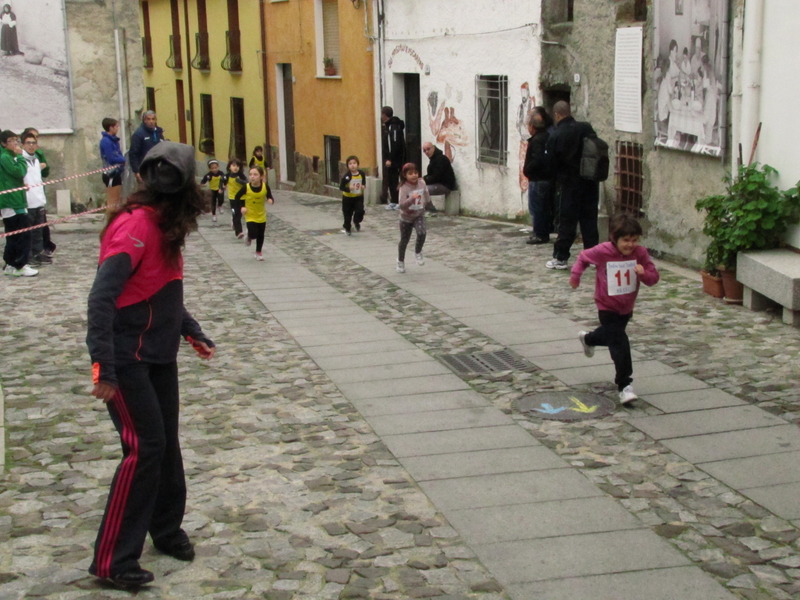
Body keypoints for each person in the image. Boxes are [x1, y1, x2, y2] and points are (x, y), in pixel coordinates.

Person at [86, 141, 214, 588]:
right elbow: (103, 297)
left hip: (159, 355)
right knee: (144, 449)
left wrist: (190, 329)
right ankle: (112, 560)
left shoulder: (165, 224)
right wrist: (102, 363)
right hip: (126, 358)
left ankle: (165, 529)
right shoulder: (134, 225)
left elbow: (162, 289)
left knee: (165, 445)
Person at [570, 214, 659, 404]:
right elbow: (583, 257)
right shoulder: (603, 251)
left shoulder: (640, 253)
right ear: (614, 238)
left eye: (634, 240)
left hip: (626, 306)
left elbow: (653, 278)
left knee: (611, 336)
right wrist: (576, 276)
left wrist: (644, 274)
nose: (630, 245)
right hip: (606, 305)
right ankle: (624, 386)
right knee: (620, 343)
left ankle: (588, 338)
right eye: (625, 240)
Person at [544, 101, 600, 270]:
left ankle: (561, 257)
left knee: (567, 221)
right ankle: (593, 257)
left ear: (557, 115)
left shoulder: (557, 134)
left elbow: (550, 163)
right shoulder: (586, 128)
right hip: (589, 181)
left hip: (569, 184)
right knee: (589, 221)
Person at [0, 130, 37, 277]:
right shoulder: (5, 157)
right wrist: (21, 157)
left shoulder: (10, 156)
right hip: (12, 201)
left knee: (14, 234)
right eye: (11, 141)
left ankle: (10, 263)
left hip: (16, 199)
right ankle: (19, 264)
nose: (15, 143)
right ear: (3, 143)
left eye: (16, 140)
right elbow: (19, 172)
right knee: (22, 233)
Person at [522, 106, 554, 245]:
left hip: (538, 179)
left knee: (538, 208)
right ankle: (542, 232)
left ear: (533, 126)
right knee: (543, 207)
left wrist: (528, 170)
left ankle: (540, 233)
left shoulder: (537, 140)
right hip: (545, 178)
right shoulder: (546, 137)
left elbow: (537, 159)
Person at [22, 127, 55, 256]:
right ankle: (28, 255)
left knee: (38, 232)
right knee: (27, 232)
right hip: (28, 201)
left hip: (38, 200)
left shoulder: (36, 160)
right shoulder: (20, 160)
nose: (31, 146)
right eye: (28, 143)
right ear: (23, 145)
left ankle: (38, 253)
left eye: (33, 143)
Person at [396, 163, 429, 274]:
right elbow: (401, 205)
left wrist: (427, 203)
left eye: (415, 173)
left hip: (419, 214)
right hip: (406, 217)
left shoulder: (421, 183)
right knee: (404, 240)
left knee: (422, 232)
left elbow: (426, 193)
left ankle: (418, 251)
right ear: (405, 175)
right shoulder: (404, 188)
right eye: (410, 174)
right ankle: (400, 261)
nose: (414, 175)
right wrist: (411, 199)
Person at [237, 165, 274, 261]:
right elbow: (237, 197)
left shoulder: (265, 187)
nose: (252, 177)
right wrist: (242, 207)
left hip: (261, 214)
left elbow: (270, 196)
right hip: (250, 215)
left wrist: (270, 200)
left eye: (255, 175)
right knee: (254, 234)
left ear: (261, 177)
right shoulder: (246, 187)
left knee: (261, 234)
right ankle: (249, 235)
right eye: (250, 174)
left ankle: (258, 252)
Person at [380, 106, 405, 210]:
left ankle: (397, 201)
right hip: (393, 158)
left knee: (394, 179)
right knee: (391, 179)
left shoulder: (393, 126)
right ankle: (394, 200)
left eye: (382, 114)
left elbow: (394, 143)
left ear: (384, 115)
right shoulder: (389, 126)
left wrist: (390, 158)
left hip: (396, 159)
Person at [99, 118, 126, 212]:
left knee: (117, 201)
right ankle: (109, 224)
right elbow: (111, 158)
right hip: (111, 174)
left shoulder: (114, 141)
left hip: (117, 172)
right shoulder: (106, 141)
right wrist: (123, 160)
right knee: (112, 202)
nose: (118, 128)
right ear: (110, 128)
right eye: (116, 126)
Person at [129, 111, 164, 182]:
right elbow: (133, 153)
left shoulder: (159, 132)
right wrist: (136, 171)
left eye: (153, 119)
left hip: (158, 169)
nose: (151, 121)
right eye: (148, 119)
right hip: (145, 169)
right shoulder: (139, 134)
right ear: (144, 120)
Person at [339, 155, 366, 236]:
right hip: (348, 198)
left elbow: (363, 182)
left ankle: (356, 221)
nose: (352, 165)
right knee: (347, 213)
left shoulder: (361, 173)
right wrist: (349, 188)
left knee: (360, 210)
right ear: (348, 166)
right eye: (350, 164)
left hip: (358, 196)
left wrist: (363, 186)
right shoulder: (347, 176)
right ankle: (347, 227)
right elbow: (341, 187)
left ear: (357, 164)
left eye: (354, 163)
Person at [225, 158, 248, 239]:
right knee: (236, 215)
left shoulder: (241, 175)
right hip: (233, 198)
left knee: (242, 213)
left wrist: (240, 181)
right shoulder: (227, 175)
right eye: (234, 165)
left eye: (238, 166)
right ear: (229, 167)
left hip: (243, 197)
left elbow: (247, 182)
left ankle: (234, 222)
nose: (236, 167)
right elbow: (222, 182)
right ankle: (239, 232)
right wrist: (221, 188)